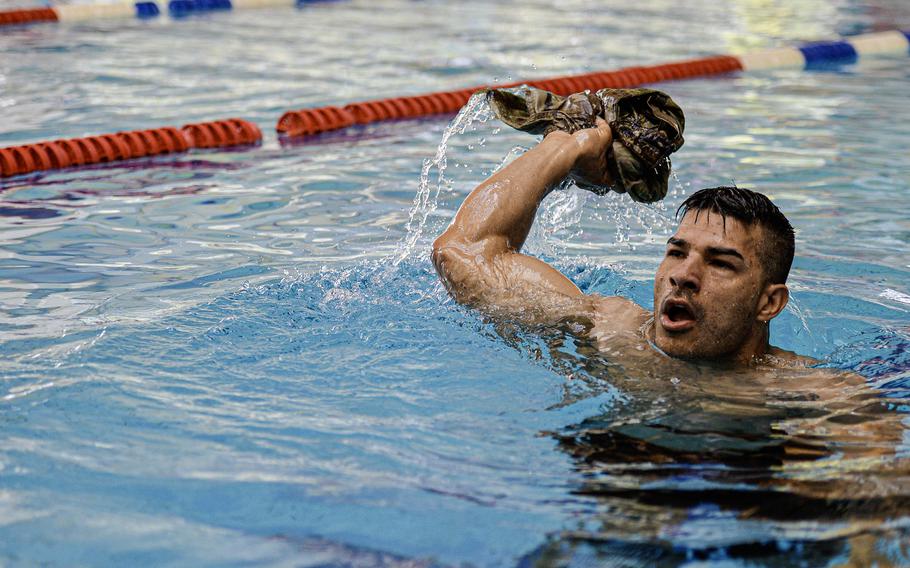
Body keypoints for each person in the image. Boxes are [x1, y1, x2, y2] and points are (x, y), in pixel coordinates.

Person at [432, 118, 807, 367]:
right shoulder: (615, 336)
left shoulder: (812, 397)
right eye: (677, 253)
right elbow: (463, 252)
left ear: (768, 302)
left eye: (721, 263)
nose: (684, 275)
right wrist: (566, 147)